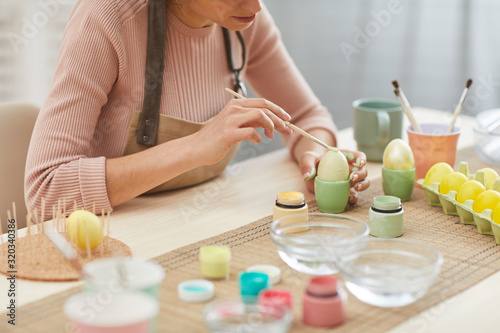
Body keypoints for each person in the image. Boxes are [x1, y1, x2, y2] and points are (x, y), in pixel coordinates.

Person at [25, 0, 370, 220]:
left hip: (201, 223)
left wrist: (317, 156)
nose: (257, 6)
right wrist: (195, 147)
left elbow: (306, 118)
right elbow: (44, 191)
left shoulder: (244, 18)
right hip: (113, 242)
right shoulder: (106, 18)